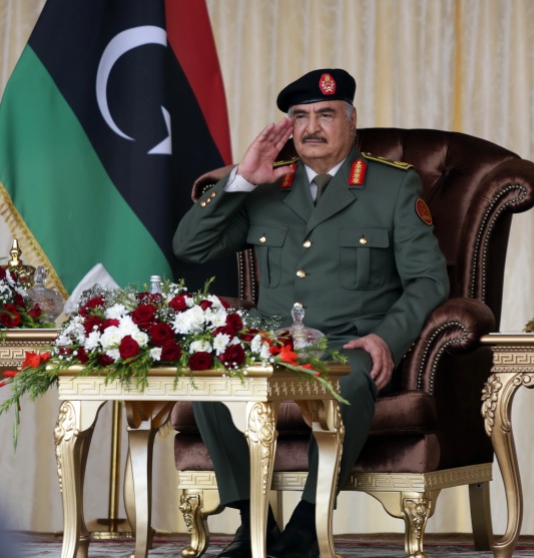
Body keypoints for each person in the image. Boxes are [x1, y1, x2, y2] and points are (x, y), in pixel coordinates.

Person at [173, 68, 449, 558]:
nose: (311, 127)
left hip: (349, 343)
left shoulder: (391, 188)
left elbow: (428, 279)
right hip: (271, 344)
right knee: (211, 380)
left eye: (325, 114)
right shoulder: (266, 185)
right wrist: (239, 179)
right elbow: (189, 245)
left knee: (348, 382)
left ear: (351, 120)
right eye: (299, 116)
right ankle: (253, 524)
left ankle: (307, 521)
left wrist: (387, 337)